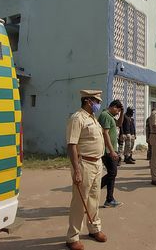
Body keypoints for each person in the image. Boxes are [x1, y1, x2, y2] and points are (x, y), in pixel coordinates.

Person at [65, 90, 107, 250]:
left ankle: (94, 228)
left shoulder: (93, 119)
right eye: (97, 101)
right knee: (79, 201)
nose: (98, 104)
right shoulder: (77, 118)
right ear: (88, 101)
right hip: (84, 165)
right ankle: (72, 237)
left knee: (94, 198)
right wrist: (76, 170)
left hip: (97, 163)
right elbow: (72, 145)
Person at [98, 99, 124, 208]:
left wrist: (122, 112)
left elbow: (119, 124)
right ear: (113, 107)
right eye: (117, 110)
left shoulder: (111, 116)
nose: (118, 113)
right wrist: (111, 151)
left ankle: (109, 199)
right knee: (112, 173)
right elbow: (105, 133)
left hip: (111, 150)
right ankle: (93, 189)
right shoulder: (105, 115)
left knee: (112, 174)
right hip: (107, 151)